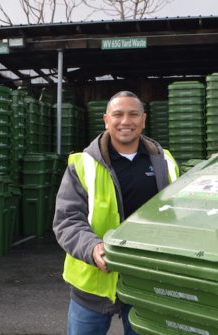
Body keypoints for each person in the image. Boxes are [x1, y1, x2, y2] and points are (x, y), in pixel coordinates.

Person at [52, 91, 180, 335]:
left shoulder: (166, 162)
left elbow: (186, 208)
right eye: (118, 114)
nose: (125, 121)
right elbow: (67, 220)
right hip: (93, 285)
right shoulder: (82, 164)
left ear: (144, 119)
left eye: (133, 114)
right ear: (106, 120)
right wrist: (92, 248)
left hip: (146, 282)